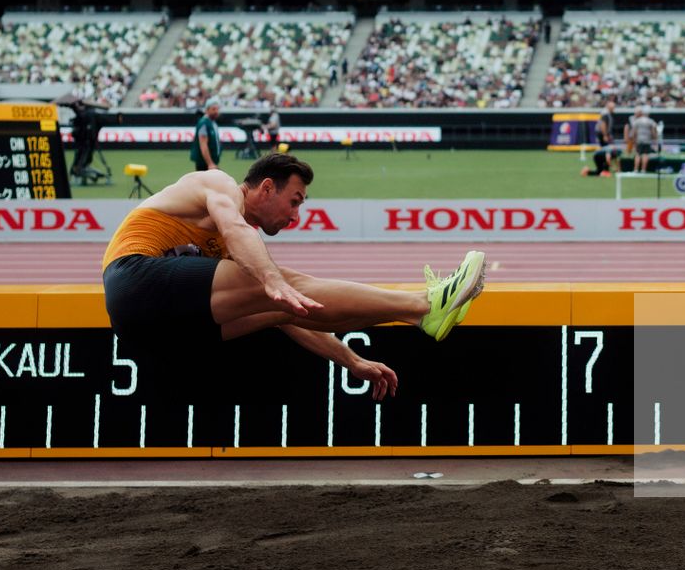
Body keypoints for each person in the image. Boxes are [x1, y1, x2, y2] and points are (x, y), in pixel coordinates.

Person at [100, 152, 486, 395]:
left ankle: (419, 317)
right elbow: (235, 230)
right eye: (294, 201)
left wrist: (351, 361)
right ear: (266, 188)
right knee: (286, 283)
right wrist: (272, 279)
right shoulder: (218, 185)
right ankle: (423, 303)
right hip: (133, 277)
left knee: (284, 308)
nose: (295, 216)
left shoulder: (234, 254)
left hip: (152, 332)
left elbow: (291, 316)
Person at [192, 97, 223, 174]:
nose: (216, 111)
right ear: (207, 110)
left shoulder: (212, 123)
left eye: (217, 109)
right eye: (213, 109)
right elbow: (203, 145)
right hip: (204, 164)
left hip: (212, 162)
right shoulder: (204, 124)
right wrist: (210, 163)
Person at [587, 99, 616, 177]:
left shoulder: (607, 114)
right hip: (602, 134)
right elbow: (603, 125)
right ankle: (605, 169)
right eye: (613, 107)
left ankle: (603, 169)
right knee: (607, 151)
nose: (614, 109)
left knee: (607, 151)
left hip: (603, 134)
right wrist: (605, 135)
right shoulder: (606, 114)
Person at [629, 106, 659, 176]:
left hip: (639, 140)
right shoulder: (650, 121)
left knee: (638, 154)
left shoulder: (637, 120)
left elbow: (634, 132)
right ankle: (643, 170)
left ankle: (636, 169)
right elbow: (653, 131)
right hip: (647, 140)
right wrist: (655, 139)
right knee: (645, 155)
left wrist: (633, 140)